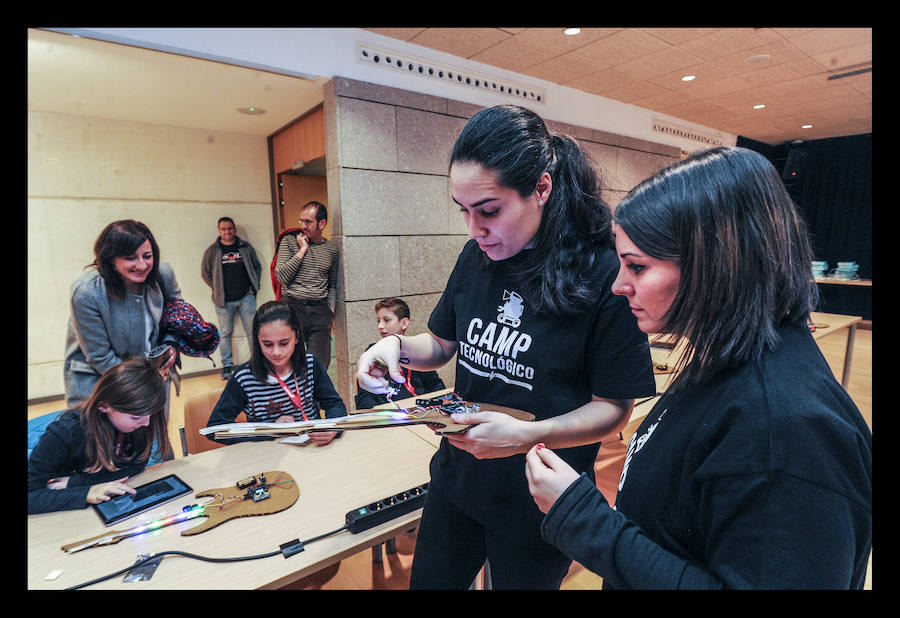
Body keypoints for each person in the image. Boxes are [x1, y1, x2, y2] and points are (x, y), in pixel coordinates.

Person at [525, 146, 873, 589]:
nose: (618, 285)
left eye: (637, 266)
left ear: (713, 265)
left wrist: (585, 520)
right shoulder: (724, 362)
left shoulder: (786, 433)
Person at [356, 105, 656, 589]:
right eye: (464, 211)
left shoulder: (602, 272)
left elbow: (613, 408)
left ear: (541, 188)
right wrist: (393, 348)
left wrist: (524, 435)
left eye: (490, 211)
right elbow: (439, 343)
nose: (474, 229)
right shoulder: (477, 255)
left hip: (540, 498)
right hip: (458, 481)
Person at [28, 357, 170, 514]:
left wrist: (74, 483)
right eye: (135, 417)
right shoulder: (64, 433)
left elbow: (137, 466)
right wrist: (87, 492)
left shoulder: (140, 419)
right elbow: (31, 496)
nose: (146, 423)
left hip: (84, 503)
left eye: (151, 415)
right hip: (63, 514)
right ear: (104, 406)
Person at [64, 220, 179, 409]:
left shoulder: (163, 274)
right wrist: (143, 384)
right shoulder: (86, 292)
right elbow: (99, 356)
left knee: (153, 437)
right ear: (110, 259)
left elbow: (177, 316)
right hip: (102, 381)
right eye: (130, 258)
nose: (142, 265)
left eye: (147, 256)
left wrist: (171, 345)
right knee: (106, 438)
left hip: (152, 376)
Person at [205, 300, 346, 446]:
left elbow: (334, 404)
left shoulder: (310, 364)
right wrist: (270, 431)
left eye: (284, 343)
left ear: (297, 337)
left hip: (312, 449)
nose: (276, 352)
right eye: (267, 344)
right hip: (268, 457)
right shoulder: (244, 378)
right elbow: (215, 429)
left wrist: (332, 427)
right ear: (257, 341)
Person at [274, 201, 339, 370]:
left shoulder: (331, 249)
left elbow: (332, 284)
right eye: (301, 221)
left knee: (319, 365)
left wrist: (330, 309)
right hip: (293, 307)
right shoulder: (289, 241)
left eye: (308, 222)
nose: (303, 226)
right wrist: (302, 251)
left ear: (322, 223)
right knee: (290, 363)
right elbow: (281, 276)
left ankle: (314, 397)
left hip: (320, 311)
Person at [354, 298, 446, 410]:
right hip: (390, 415)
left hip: (422, 411)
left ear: (404, 323)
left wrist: (439, 406)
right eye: (379, 321)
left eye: (386, 320)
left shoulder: (416, 350)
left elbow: (435, 384)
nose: (380, 326)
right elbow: (365, 399)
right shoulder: (373, 352)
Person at [201, 216, 263, 381]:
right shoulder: (212, 251)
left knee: (253, 331)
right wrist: (217, 289)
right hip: (223, 301)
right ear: (219, 231)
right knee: (225, 333)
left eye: (230, 228)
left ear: (234, 229)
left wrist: (253, 288)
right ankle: (227, 366)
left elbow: (257, 267)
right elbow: (205, 273)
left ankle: (257, 363)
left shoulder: (245, 247)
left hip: (246, 297)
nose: (227, 231)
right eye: (224, 229)